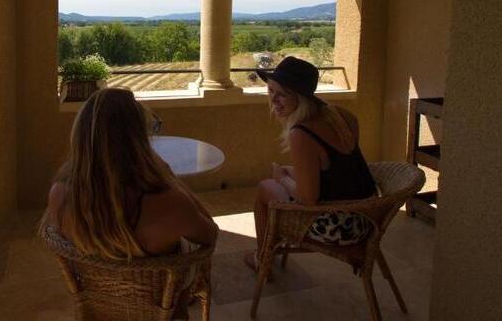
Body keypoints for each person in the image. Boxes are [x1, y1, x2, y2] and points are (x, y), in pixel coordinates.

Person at [41, 88, 218, 315]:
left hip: (98, 302)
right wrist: (169, 177)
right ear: (139, 138)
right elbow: (209, 235)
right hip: (158, 304)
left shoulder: (61, 195)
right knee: (185, 258)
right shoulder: (169, 205)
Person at [244, 56, 376, 275]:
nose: (274, 100)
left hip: (340, 227)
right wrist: (291, 171)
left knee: (265, 188)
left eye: (282, 94)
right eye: (270, 92)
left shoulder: (301, 134)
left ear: (300, 97)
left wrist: (281, 178)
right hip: (369, 216)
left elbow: (308, 199)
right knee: (275, 184)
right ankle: (268, 251)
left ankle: (263, 260)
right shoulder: (341, 115)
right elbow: (337, 170)